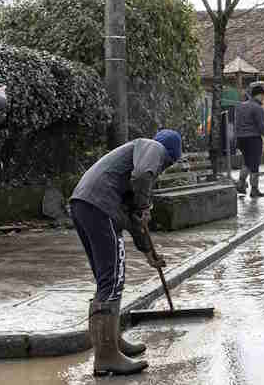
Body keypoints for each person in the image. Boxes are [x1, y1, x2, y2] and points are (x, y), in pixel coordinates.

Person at [69, 129, 182, 376]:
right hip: (101, 206)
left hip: (84, 204)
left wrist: (148, 251)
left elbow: (134, 219)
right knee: (112, 281)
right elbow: (143, 179)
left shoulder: (133, 161)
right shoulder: (153, 147)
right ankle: (106, 356)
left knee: (106, 279)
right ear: (171, 156)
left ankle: (111, 341)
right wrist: (144, 204)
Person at [235, 85, 264, 197]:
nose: (263, 99)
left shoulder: (240, 106)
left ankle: (241, 184)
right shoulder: (257, 108)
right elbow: (262, 126)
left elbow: (237, 124)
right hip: (253, 139)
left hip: (241, 139)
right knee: (255, 164)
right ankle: (254, 189)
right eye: (263, 96)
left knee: (247, 162)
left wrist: (237, 139)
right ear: (260, 95)